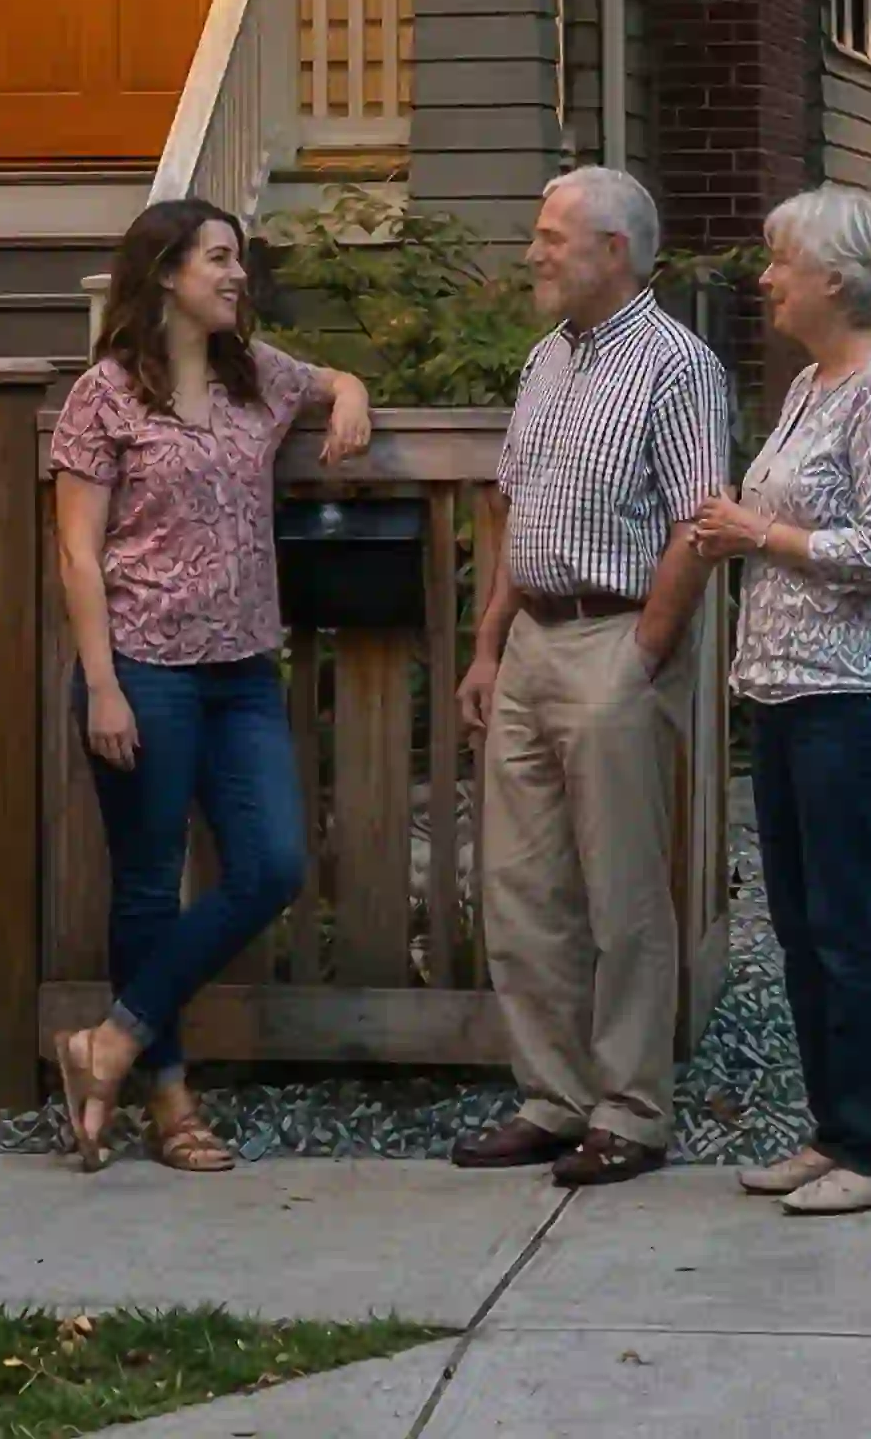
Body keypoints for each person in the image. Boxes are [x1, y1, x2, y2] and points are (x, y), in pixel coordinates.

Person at [42, 194, 374, 1171]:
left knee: (270, 864)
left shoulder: (255, 378)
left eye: (238, 260)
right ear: (166, 275)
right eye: (218, 258)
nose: (236, 275)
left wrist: (348, 398)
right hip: (142, 668)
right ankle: (169, 1102)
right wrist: (100, 684)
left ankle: (107, 1042)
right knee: (147, 885)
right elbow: (74, 551)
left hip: (239, 673)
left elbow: (330, 379)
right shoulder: (103, 396)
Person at [451, 164, 734, 1187]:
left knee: (621, 899)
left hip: (616, 642)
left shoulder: (677, 366)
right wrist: (487, 647)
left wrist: (644, 656)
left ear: (613, 251)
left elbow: (699, 523)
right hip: (530, 642)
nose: (532, 252)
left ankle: (629, 1111)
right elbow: (513, 516)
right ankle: (552, 1098)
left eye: (550, 236)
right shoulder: (545, 362)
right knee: (521, 888)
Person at [682, 183, 871, 1215]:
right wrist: (738, 524)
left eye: (779, 261)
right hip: (788, 692)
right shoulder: (809, 387)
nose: (765, 279)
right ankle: (832, 1131)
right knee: (800, 923)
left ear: (834, 278)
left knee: (850, 922)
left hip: (857, 692)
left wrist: (760, 536)